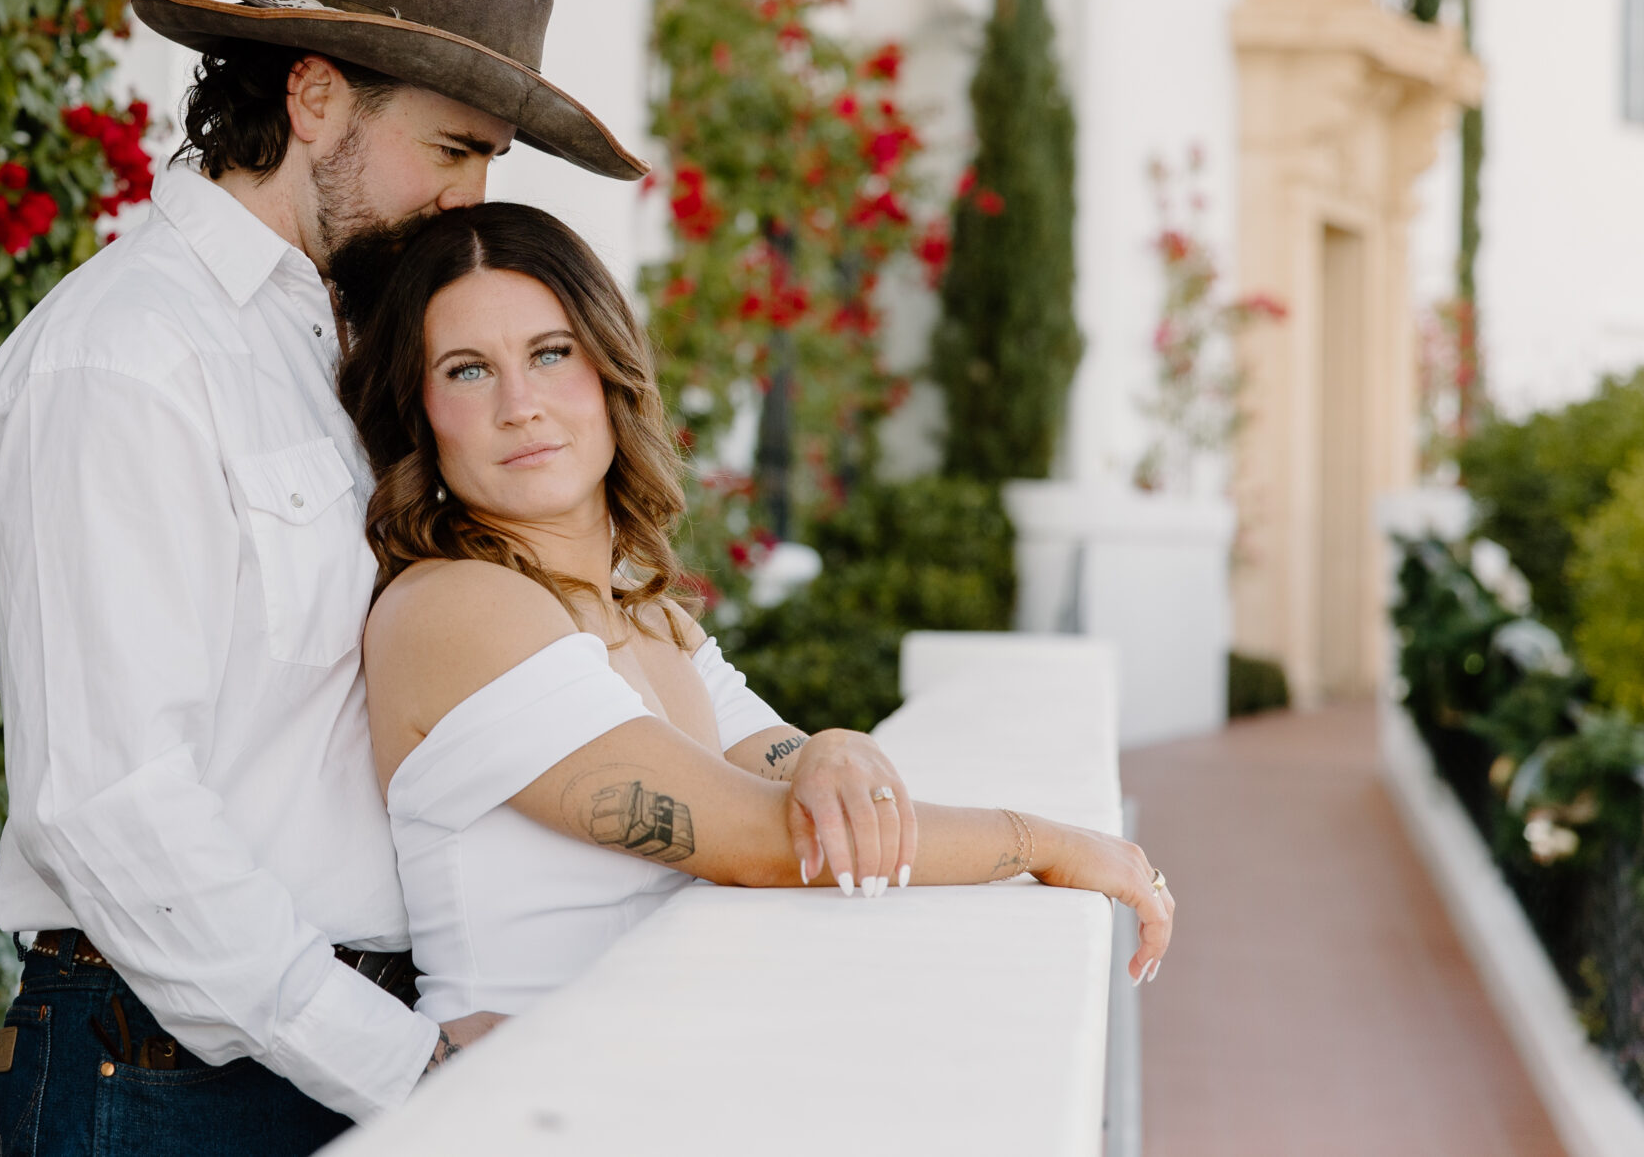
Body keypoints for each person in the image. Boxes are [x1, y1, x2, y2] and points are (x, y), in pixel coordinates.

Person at [0, 0, 918, 1156]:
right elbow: (110, 800)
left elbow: (579, 628)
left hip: (359, 1049)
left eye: (487, 161)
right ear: (313, 99)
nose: (468, 200)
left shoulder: (362, 346)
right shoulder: (128, 357)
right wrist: (403, 1066)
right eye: (452, 148)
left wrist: (812, 753)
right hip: (177, 1079)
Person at [335, 201, 1177, 1022]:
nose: (519, 403)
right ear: (422, 413)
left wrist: (835, 748)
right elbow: (771, 841)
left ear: (607, 368)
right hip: (525, 1106)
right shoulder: (454, 606)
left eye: (551, 353)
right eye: (468, 369)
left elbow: (799, 775)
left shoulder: (648, 614)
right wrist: (1051, 846)